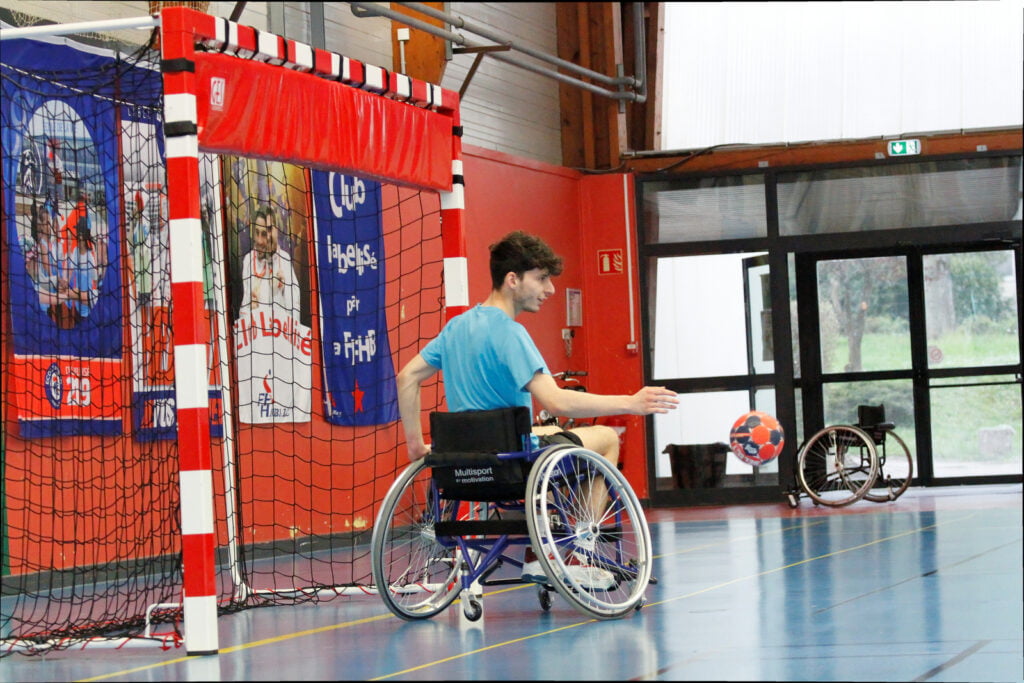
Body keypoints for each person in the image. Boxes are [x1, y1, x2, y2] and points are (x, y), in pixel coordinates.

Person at [396, 230, 678, 588]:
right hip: (513, 462)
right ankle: (577, 553)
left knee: (547, 437)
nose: (551, 289)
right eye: (542, 279)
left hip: (464, 462)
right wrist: (631, 402)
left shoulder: (456, 328)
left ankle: (537, 551)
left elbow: (407, 376)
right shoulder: (511, 334)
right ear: (512, 280)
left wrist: (416, 447)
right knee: (605, 438)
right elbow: (557, 400)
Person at [241, 204, 300, 319]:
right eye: (257, 232)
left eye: (265, 233)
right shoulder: (248, 261)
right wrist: (250, 309)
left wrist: (285, 288)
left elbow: (295, 313)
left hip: (281, 334)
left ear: (275, 231)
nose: (259, 240)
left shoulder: (285, 260)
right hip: (258, 333)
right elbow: (243, 312)